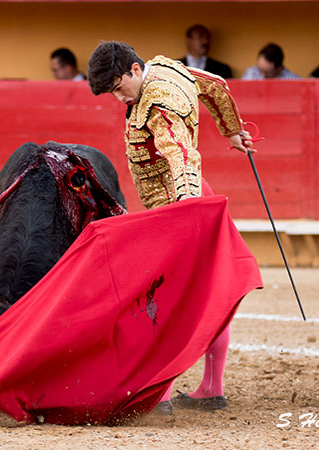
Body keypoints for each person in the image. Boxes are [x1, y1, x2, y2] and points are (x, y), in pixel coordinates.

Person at [87, 41, 255, 414]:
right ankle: (211, 387)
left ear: (134, 69)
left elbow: (181, 157)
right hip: (193, 203)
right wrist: (232, 131)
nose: (118, 98)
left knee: (161, 302)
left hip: (177, 210)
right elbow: (214, 85)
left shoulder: (158, 105)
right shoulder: (166, 69)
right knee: (208, 295)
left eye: (118, 87)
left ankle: (159, 397)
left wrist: (187, 214)